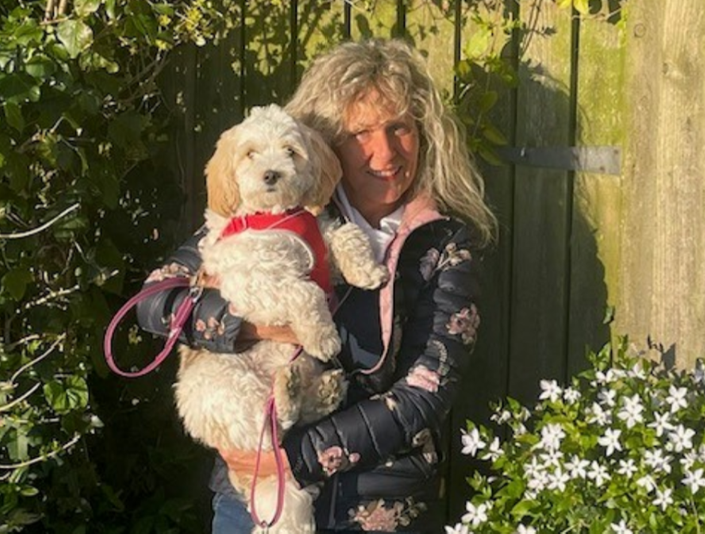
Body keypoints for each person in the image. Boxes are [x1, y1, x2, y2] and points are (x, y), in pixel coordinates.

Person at [136, 38, 496, 533]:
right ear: (325, 145)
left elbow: (424, 392)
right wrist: (250, 325)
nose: (385, 151)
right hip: (249, 497)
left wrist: (294, 458)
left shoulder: (445, 246)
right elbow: (156, 301)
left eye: (400, 128)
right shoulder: (274, 214)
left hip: (376, 508)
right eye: (360, 133)